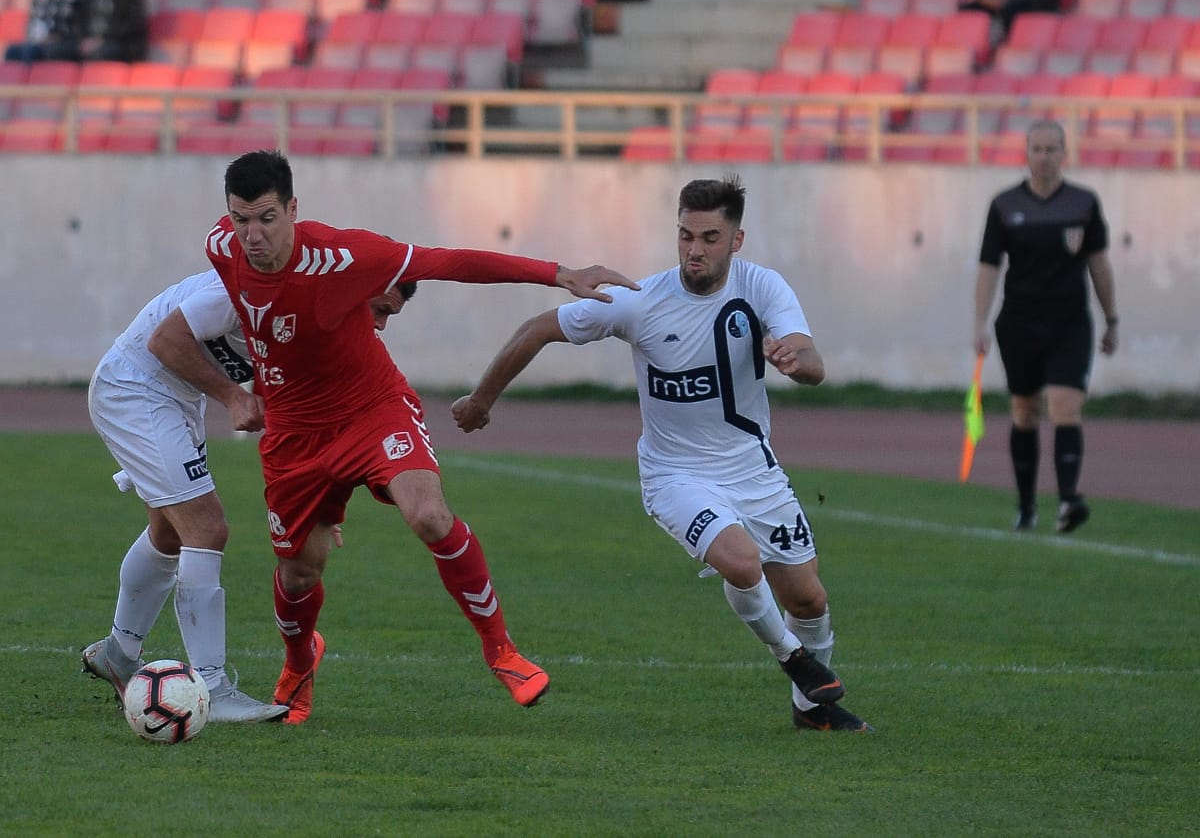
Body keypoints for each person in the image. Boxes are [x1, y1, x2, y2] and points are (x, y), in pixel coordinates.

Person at [206, 149, 639, 724]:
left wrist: (561, 275)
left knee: (428, 515)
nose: (252, 234)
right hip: (293, 432)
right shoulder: (220, 248)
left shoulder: (346, 255)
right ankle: (299, 659)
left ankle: (502, 651)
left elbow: (450, 261)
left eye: (266, 218)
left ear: (292, 208)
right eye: (241, 220)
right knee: (299, 571)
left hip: (371, 409)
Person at [453, 176, 872, 733]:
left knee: (809, 599)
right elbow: (537, 329)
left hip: (753, 469)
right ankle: (795, 663)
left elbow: (813, 361)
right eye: (684, 235)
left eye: (709, 237)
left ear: (737, 240)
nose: (694, 249)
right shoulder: (641, 301)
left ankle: (811, 711)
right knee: (741, 561)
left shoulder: (764, 288)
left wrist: (798, 361)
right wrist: (481, 402)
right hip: (675, 475)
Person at [81, 270, 289, 723]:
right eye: (378, 310)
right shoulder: (247, 291)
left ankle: (118, 653)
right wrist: (234, 397)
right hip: (135, 389)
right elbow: (165, 342)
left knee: (170, 532)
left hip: (175, 399)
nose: (379, 324)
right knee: (206, 527)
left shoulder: (312, 319)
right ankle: (212, 688)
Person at [973, 119, 1118, 533]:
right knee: (1024, 411)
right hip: (1018, 325)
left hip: (1069, 324)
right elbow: (988, 268)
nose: (1044, 156)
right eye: (1036, 149)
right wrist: (979, 324)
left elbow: (1099, 266)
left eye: (1051, 149)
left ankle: (1069, 501)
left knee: (1065, 405)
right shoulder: (1004, 206)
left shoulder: (1083, 204)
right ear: (1026, 153)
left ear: (1064, 152)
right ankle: (1026, 506)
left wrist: (1112, 319)